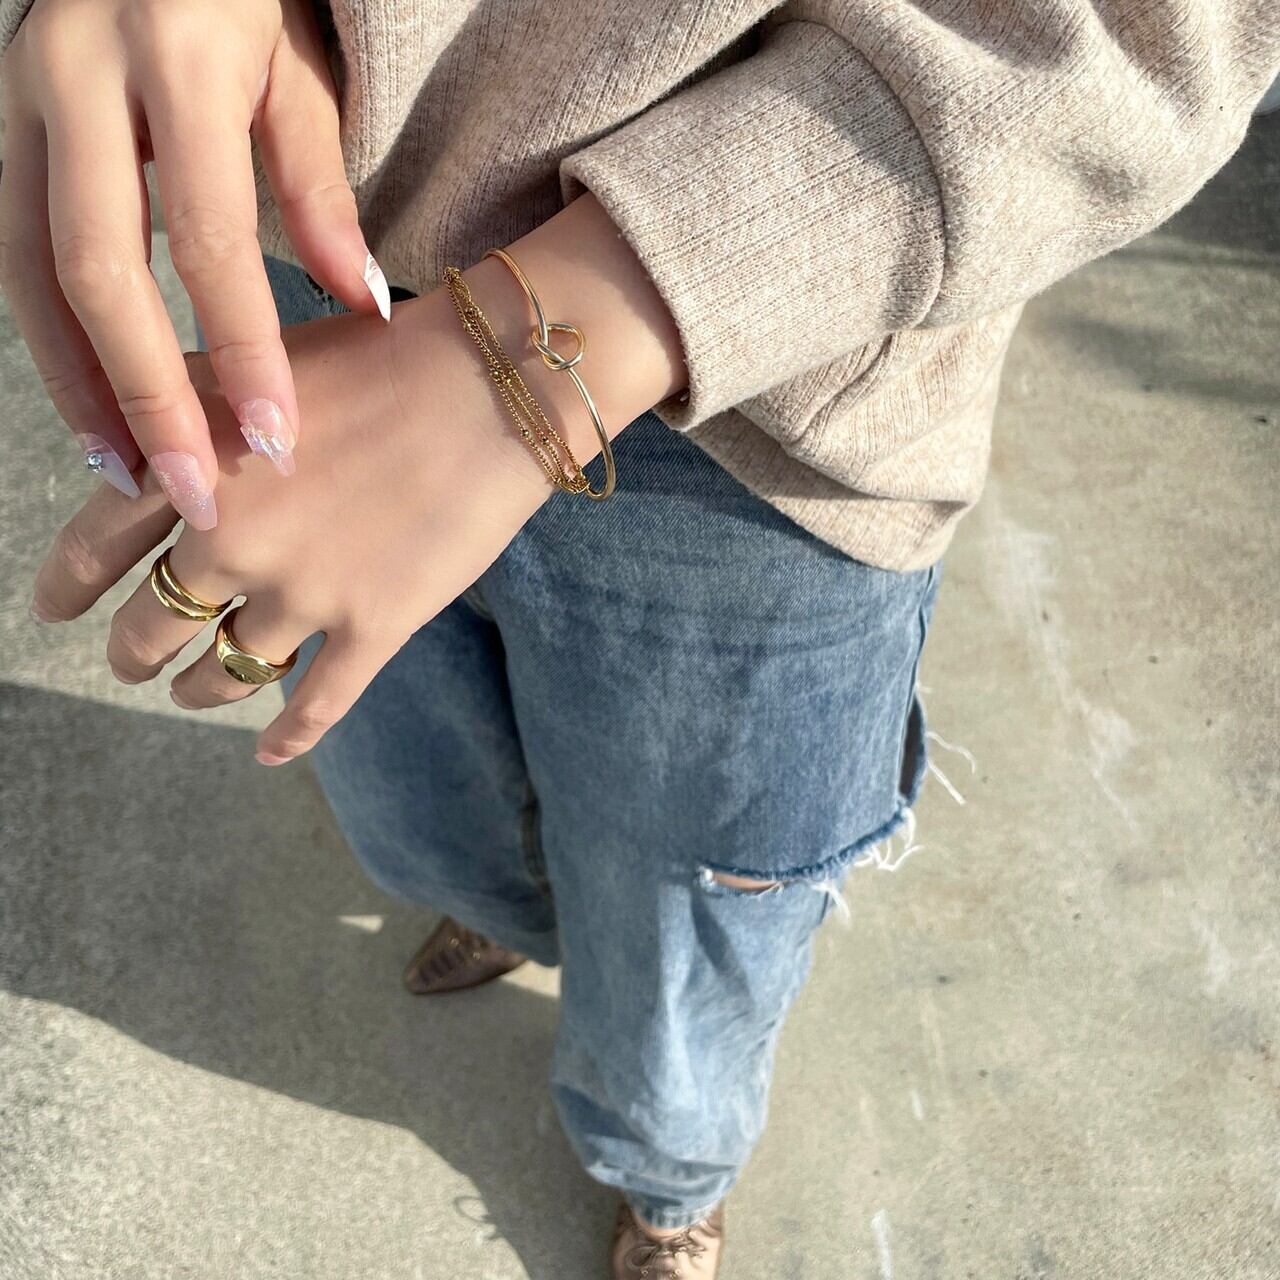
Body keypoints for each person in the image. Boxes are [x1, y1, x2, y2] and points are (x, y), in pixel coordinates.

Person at [4, 2, 1274, 1274]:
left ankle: (669, 1181)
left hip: (764, 412)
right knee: (413, 792)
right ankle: (509, 913)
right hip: (324, 243)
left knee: (681, 943)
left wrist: (537, 347)